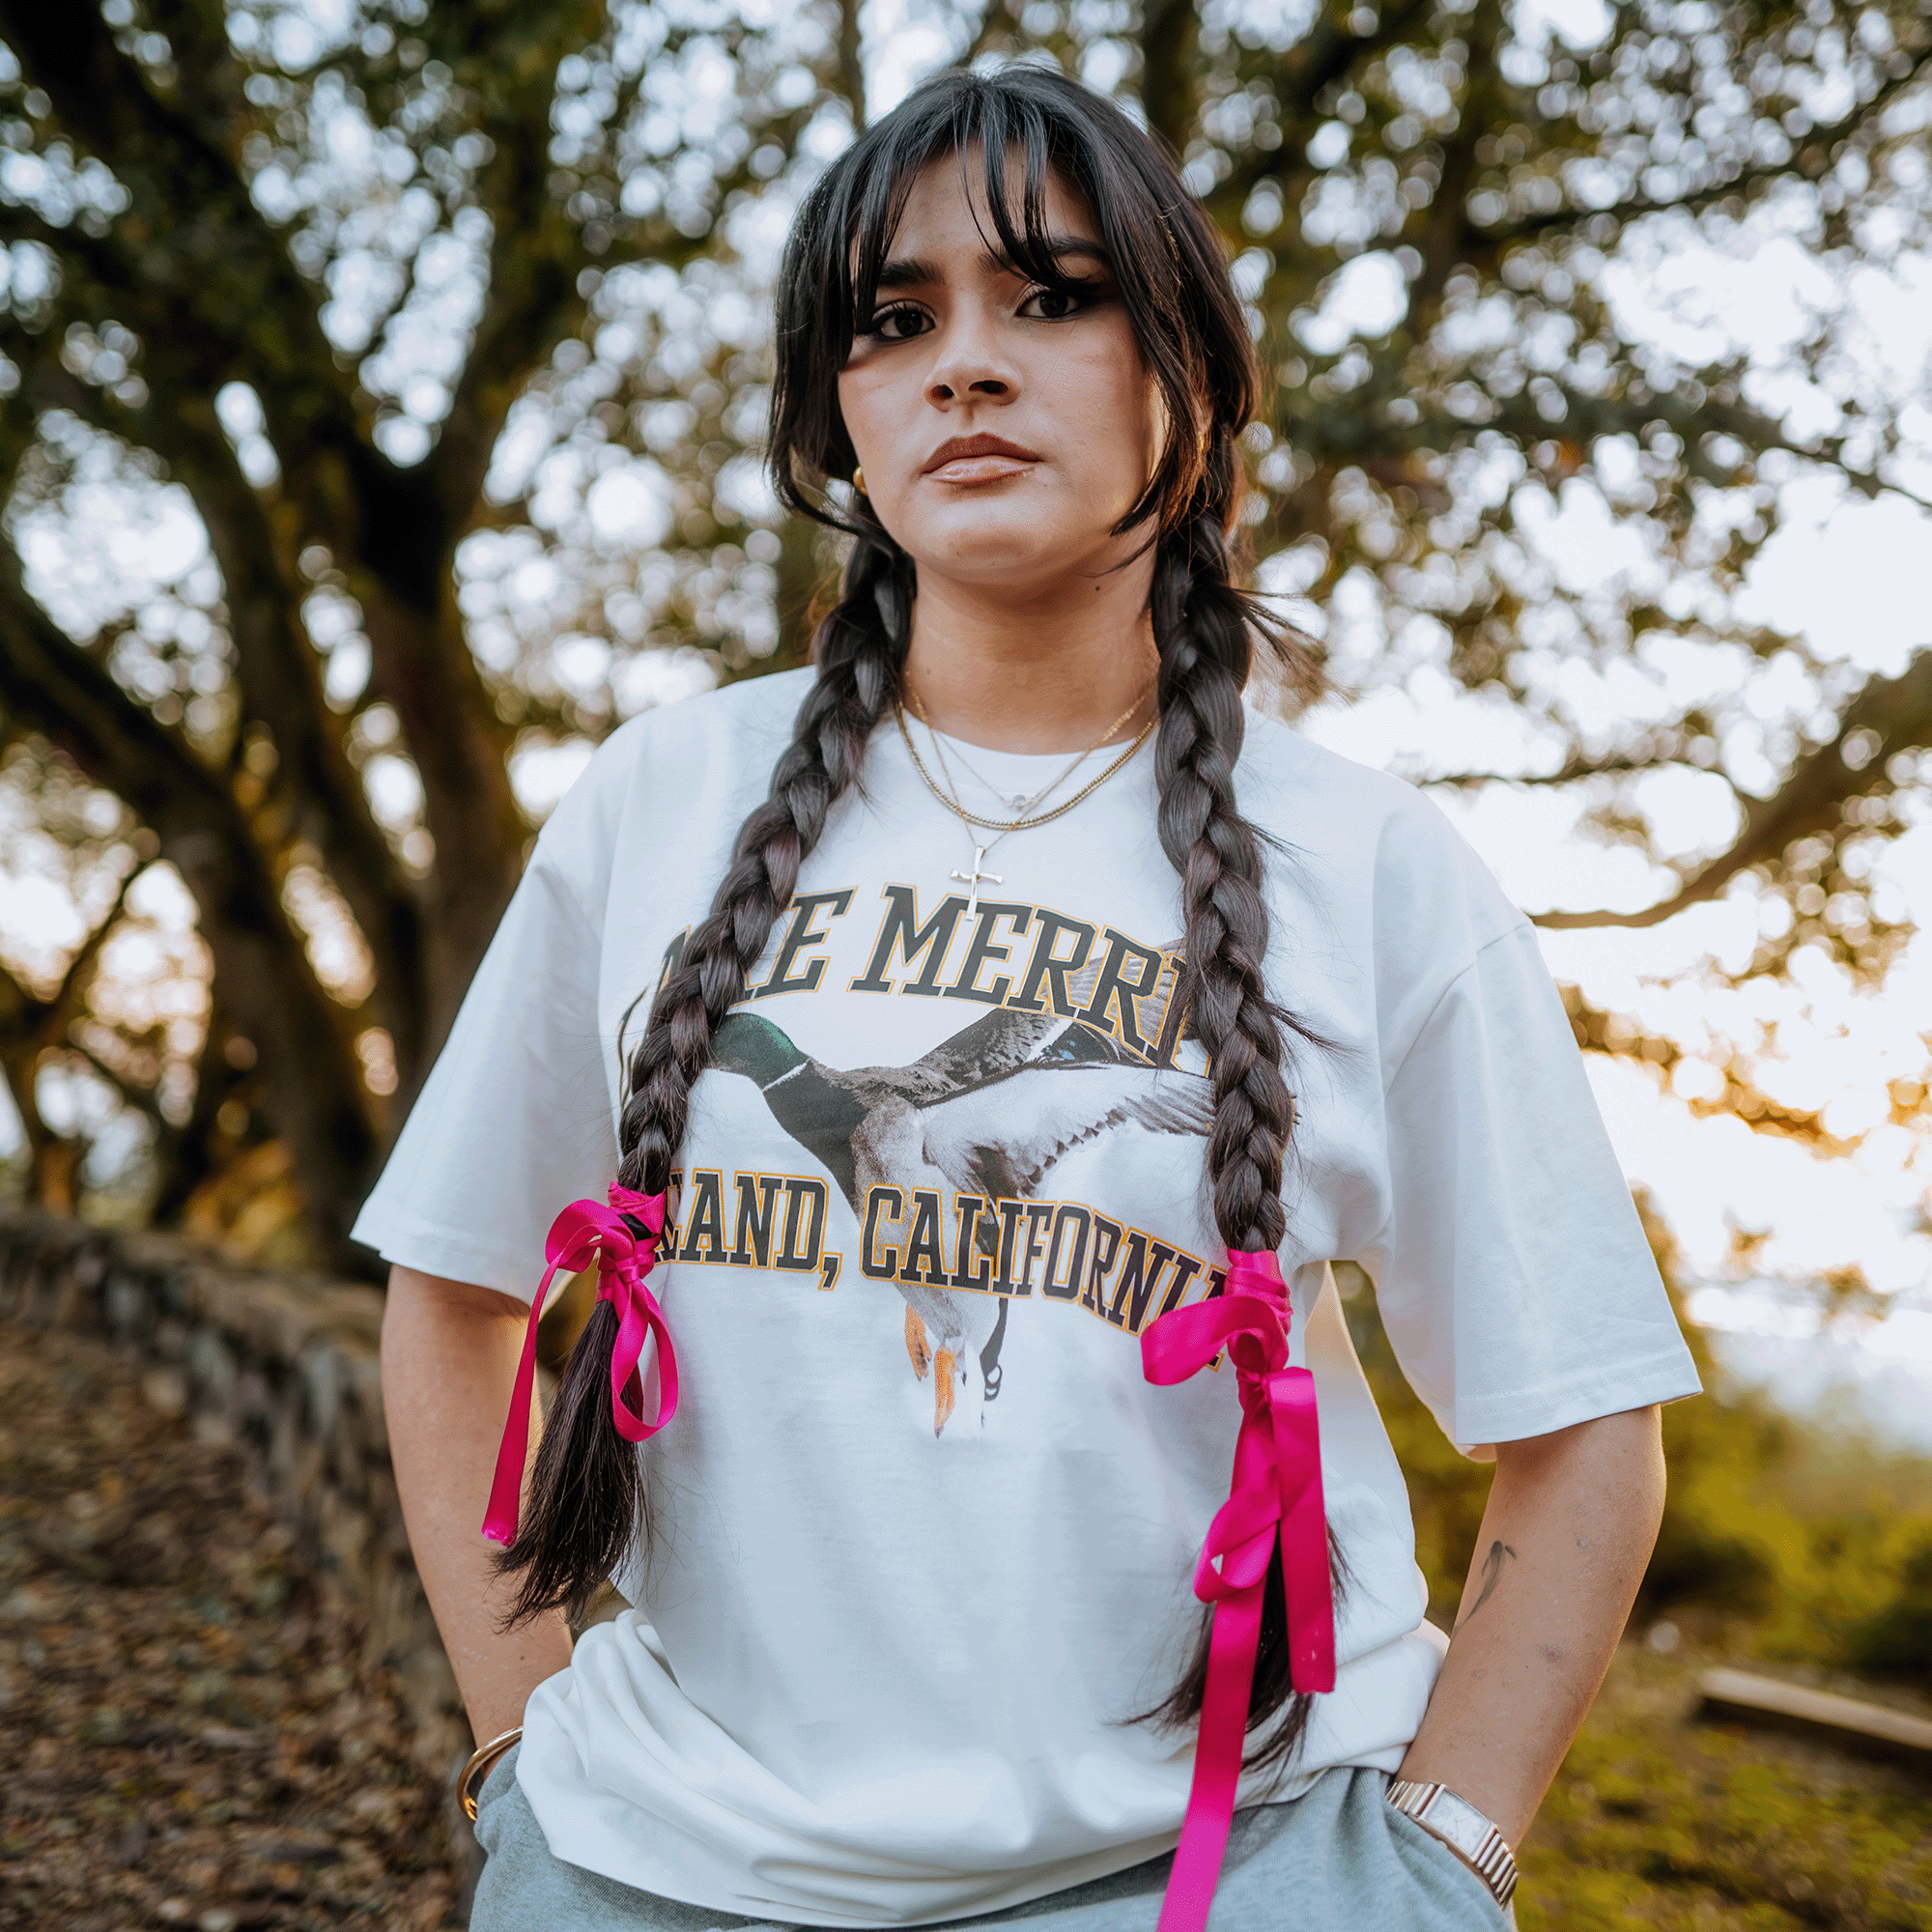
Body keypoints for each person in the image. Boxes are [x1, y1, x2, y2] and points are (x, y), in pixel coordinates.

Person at [359, 63, 1700, 1932]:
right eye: (894, 321)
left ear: (1193, 376)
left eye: (1052, 296)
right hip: (655, 1866)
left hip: (1224, 1872)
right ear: (841, 410)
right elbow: (455, 1289)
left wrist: (1429, 1867)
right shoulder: (663, 797)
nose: (964, 366)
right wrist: (523, 1768)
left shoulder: (1370, 868)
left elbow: (1584, 1428)